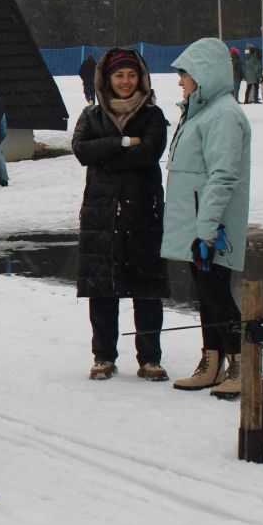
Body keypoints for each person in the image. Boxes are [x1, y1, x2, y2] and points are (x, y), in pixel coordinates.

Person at [72, 48, 170, 381]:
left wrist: (106, 155)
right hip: (101, 214)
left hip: (143, 213)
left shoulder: (152, 116)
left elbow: (149, 153)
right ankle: (103, 356)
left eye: (131, 75)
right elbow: (81, 150)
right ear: (107, 79)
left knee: (147, 289)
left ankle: (150, 358)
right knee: (102, 289)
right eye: (119, 75)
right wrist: (124, 142)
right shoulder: (91, 116)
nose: (125, 81)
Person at [162, 37, 252, 397]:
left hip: (210, 226)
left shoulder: (224, 115)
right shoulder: (202, 111)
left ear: (204, 74)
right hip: (197, 223)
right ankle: (212, 361)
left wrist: (208, 229)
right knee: (206, 293)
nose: (180, 81)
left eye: (185, 74)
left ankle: (242, 363)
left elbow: (223, 175)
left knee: (216, 293)